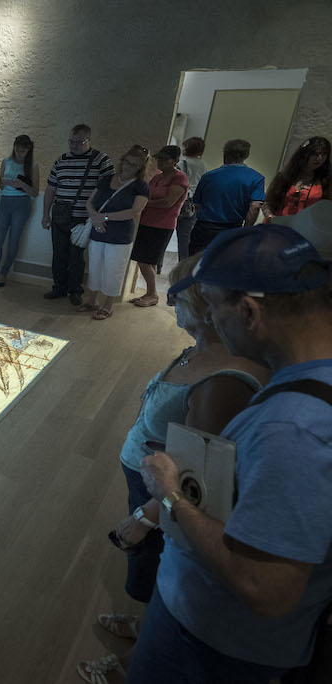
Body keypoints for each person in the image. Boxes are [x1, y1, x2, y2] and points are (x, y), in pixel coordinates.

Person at [126, 224, 332, 683]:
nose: (214, 324)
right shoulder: (308, 381)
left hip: (213, 642)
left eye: (216, 310)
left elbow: (267, 587)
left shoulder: (293, 427)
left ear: (250, 311)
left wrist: (170, 494)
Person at [77, 252, 268, 684]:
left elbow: (199, 479)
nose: (168, 301)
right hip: (149, 479)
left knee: (163, 572)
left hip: (164, 498)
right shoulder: (203, 352)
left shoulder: (223, 382)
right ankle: (146, 626)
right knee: (156, 568)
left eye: (177, 295)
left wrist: (147, 516)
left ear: (207, 307)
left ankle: (139, 657)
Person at [42, 124, 114, 305]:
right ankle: (59, 287)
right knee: (58, 254)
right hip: (60, 214)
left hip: (83, 217)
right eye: (71, 141)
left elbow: (108, 189)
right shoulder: (61, 160)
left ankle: (75, 290)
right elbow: (51, 189)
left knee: (76, 257)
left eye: (78, 142)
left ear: (88, 140)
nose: (73, 145)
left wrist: (97, 215)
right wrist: (45, 214)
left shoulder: (101, 160)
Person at [76, 146, 150, 320]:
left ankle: (108, 305)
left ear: (140, 167)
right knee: (94, 267)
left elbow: (134, 211)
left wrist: (104, 217)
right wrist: (95, 218)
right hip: (98, 231)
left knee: (114, 270)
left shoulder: (141, 186)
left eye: (134, 165)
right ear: (123, 160)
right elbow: (90, 202)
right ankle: (91, 300)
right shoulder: (107, 179)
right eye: (128, 162)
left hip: (119, 236)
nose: (129, 167)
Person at [129, 145, 189, 308]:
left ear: (175, 160)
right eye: (158, 158)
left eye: (164, 159)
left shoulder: (180, 178)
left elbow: (168, 202)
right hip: (146, 222)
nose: (160, 161)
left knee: (144, 261)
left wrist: (144, 203)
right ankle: (150, 292)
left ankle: (153, 294)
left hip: (162, 225)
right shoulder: (157, 176)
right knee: (149, 261)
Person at [188, 138, 265, 255]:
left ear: (225, 154)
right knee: (224, 264)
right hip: (232, 230)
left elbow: (197, 205)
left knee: (196, 263)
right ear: (246, 156)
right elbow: (255, 206)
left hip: (204, 228)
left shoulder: (208, 176)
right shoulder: (256, 178)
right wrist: (245, 231)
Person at [0, 134, 39, 287]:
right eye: (17, 150)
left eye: (22, 151)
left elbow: (35, 192)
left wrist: (21, 184)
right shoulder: (6, 161)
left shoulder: (33, 166)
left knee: (13, 241)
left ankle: (4, 272)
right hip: (5, 202)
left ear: (28, 150)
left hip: (22, 204)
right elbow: (0, 185)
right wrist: (4, 182)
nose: (19, 154)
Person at [262, 136, 330, 221]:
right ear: (305, 154)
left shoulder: (325, 181)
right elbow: (267, 202)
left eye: (324, 154)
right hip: (276, 225)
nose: (320, 158)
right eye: (315, 154)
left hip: (304, 227)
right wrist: (270, 217)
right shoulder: (285, 176)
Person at [175, 136, 207, 261]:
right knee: (185, 240)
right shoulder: (203, 165)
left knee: (164, 236)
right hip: (193, 204)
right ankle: (184, 265)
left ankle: (159, 267)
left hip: (179, 202)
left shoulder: (181, 164)